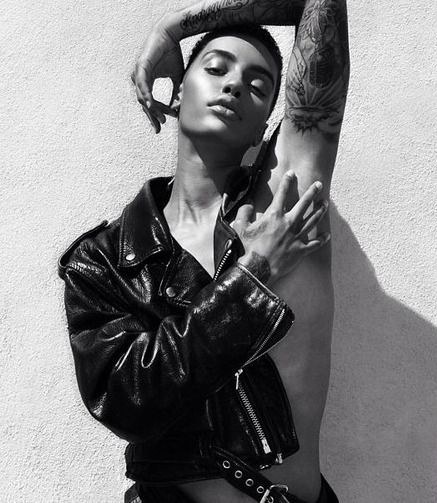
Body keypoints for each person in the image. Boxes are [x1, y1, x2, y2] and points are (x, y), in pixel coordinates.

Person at [58, 1, 349, 502]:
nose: (234, 85)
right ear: (179, 91)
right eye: (216, 69)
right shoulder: (104, 261)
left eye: (258, 85)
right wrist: (253, 275)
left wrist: (172, 26)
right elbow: (128, 402)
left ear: (265, 126)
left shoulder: (284, 200)